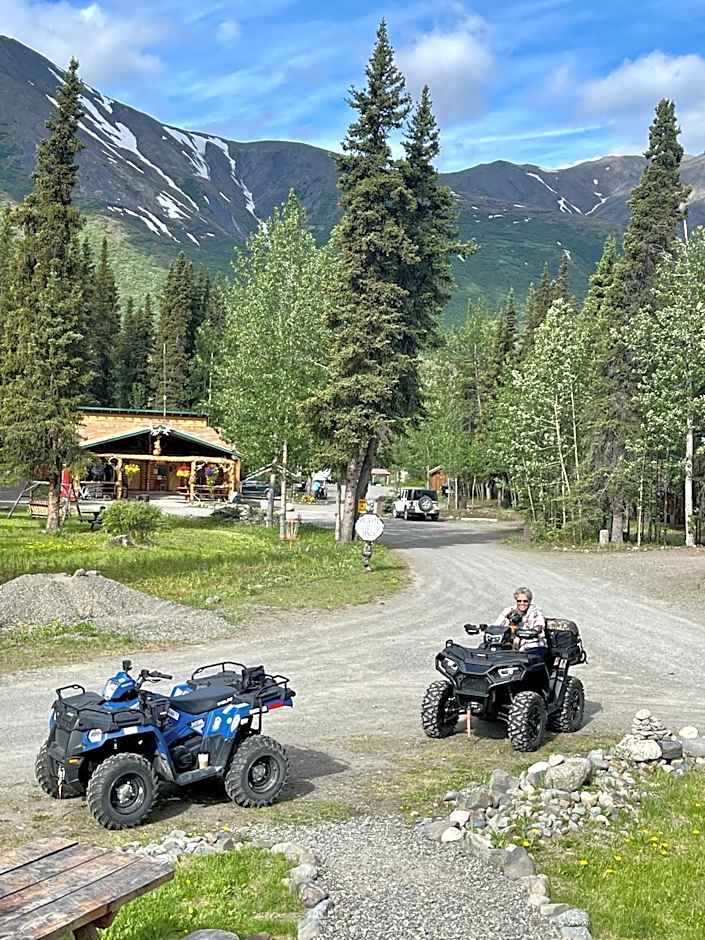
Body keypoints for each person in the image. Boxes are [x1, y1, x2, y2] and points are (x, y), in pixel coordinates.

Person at [496, 586, 546, 651]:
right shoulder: (509, 610)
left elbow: (539, 627)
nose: (522, 603)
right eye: (519, 601)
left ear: (529, 601)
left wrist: (526, 632)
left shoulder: (536, 613)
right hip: (511, 647)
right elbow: (496, 625)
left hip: (532, 647)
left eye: (525, 601)